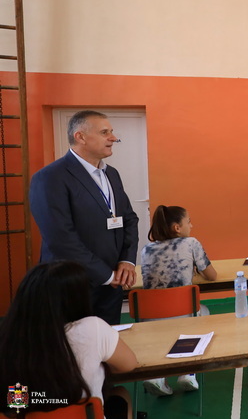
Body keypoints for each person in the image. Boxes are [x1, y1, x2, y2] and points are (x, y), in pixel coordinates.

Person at [29, 110, 139, 325]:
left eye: (112, 132)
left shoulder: (111, 174)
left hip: (111, 285)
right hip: (72, 285)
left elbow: (129, 219)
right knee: (71, 344)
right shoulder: (50, 177)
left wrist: (127, 260)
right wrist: (106, 275)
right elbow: (60, 239)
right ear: (80, 137)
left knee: (108, 341)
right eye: (104, 132)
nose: (113, 138)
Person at [0, 261, 137, 418]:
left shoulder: (9, 338)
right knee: (121, 394)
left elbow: (14, 406)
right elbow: (128, 364)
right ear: (77, 298)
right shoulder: (92, 328)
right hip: (85, 412)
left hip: (28, 412)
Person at [139, 205, 218, 396]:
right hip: (184, 314)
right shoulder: (191, 243)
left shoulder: (146, 249)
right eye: (188, 221)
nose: (191, 225)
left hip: (149, 318)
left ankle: (156, 375)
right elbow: (212, 276)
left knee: (162, 327)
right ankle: (188, 372)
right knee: (203, 313)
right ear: (177, 227)